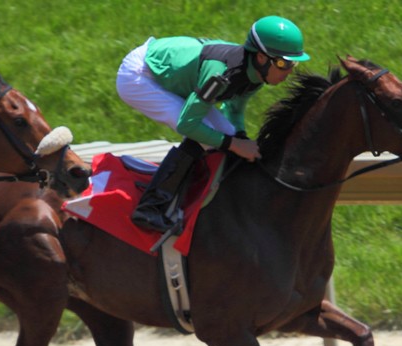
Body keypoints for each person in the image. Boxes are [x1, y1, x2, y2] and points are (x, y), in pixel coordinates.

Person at [116, 16, 310, 232]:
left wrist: (240, 138)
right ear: (261, 57)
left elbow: (234, 110)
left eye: (293, 63)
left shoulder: (255, 75)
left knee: (227, 134)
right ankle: (150, 208)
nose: (289, 71)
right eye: (283, 63)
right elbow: (187, 125)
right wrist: (234, 144)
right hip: (138, 76)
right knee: (208, 138)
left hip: (173, 72)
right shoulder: (221, 74)